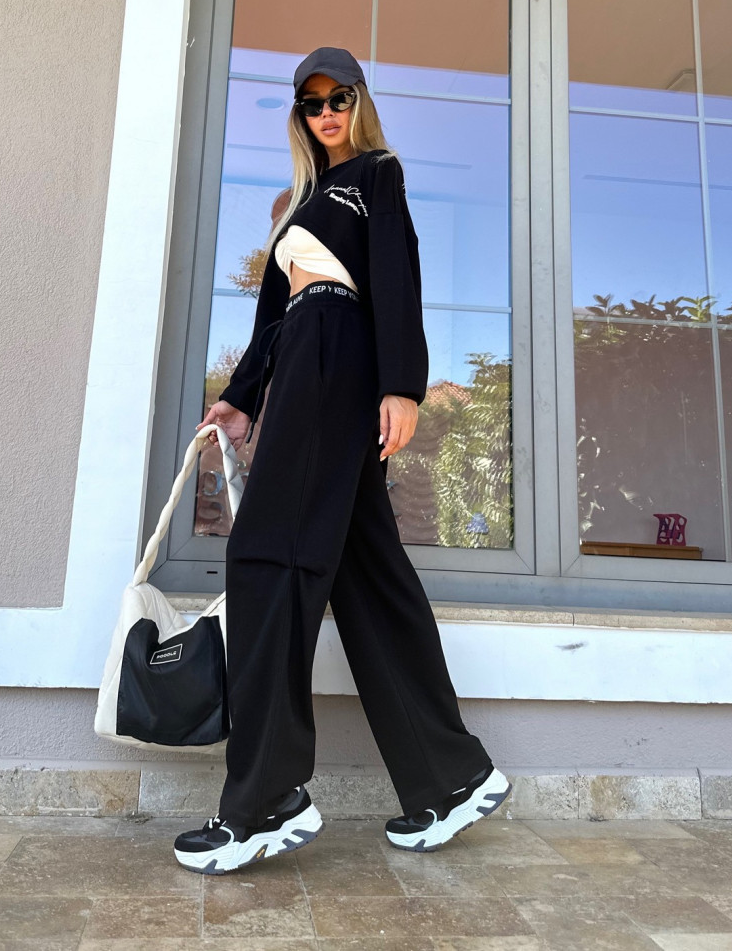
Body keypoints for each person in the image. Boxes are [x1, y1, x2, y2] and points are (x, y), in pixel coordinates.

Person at [173, 46, 510, 875]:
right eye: (312, 102)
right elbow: (272, 319)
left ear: (359, 102)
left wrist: (402, 384)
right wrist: (241, 397)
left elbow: (396, 272)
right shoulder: (299, 202)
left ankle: (264, 801)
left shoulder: (375, 174)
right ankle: (452, 777)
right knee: (366, 575)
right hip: (301, 364)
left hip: (339, 364)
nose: (326, 112)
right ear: (299, 113)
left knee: (265, 559)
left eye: (339, 97)